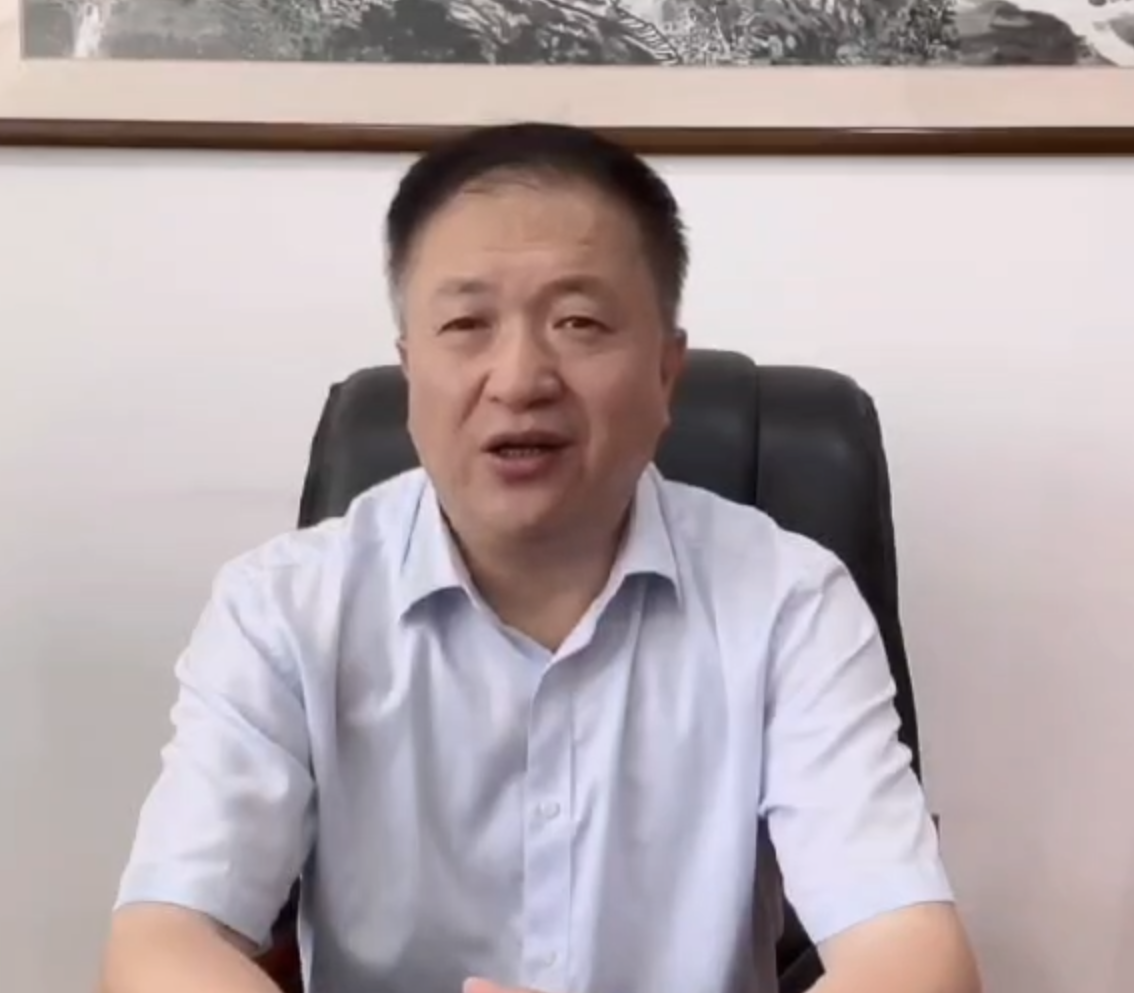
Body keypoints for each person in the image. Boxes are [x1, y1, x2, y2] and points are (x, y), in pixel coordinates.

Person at [99, 123, 980, 993]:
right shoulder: (283, 609)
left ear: (666, 373)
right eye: (466, 323)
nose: (520, 379)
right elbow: (160, 945)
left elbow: (916, 959)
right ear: (410, 371)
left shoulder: (789, 602)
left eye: (579, 321)